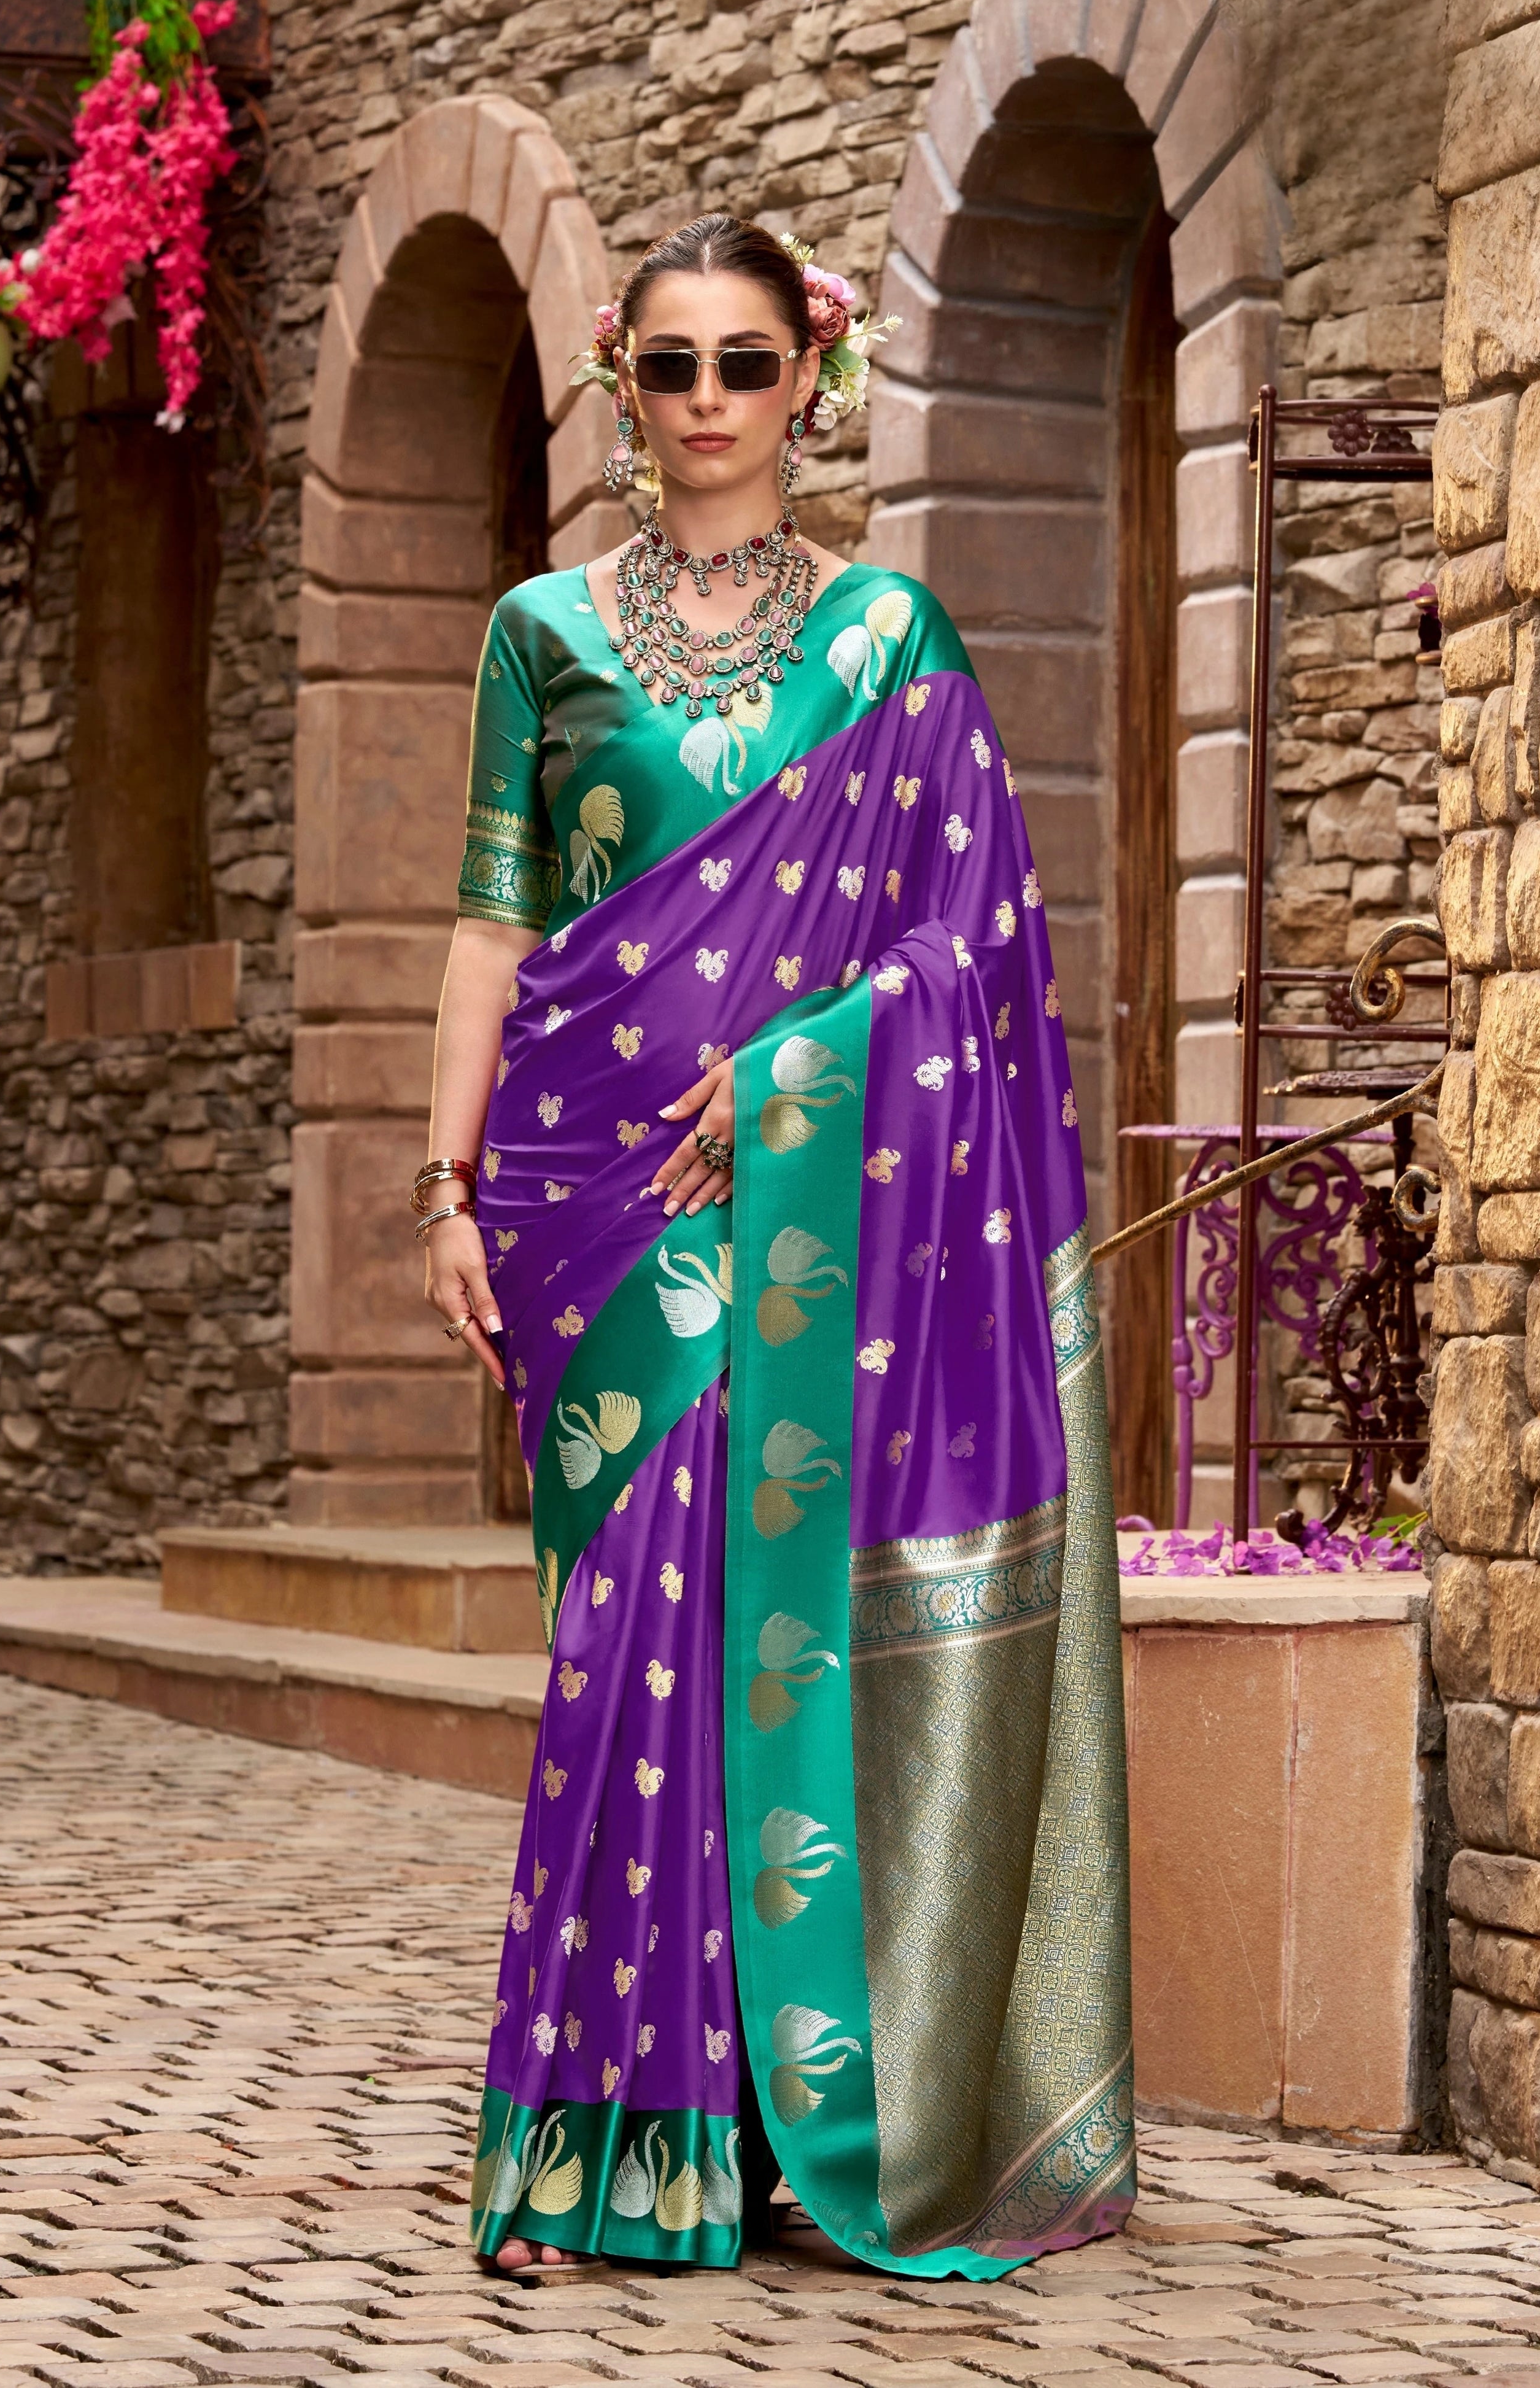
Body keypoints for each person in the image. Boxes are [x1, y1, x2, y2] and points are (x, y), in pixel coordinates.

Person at [417, 214, 1132, 2281]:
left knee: (747, 1629)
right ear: (623, 395)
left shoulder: (891, 642)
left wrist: (812, 1067)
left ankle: (749, 2125)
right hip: (582, 1205)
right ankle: (600, 2135)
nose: (712, 402)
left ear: (809, 379)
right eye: (672, 368)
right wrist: (440, 1188)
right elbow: (494, 923)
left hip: (800, 1201)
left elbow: (969, 950)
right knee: (616, 1653)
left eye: (747, 362)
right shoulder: (539, 631)